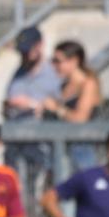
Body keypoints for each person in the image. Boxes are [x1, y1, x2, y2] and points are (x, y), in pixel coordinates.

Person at [3, 26, 61, 211]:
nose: (25, 55)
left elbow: (60, 106)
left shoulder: (52, 73)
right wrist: (10, 105)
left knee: (39, 190)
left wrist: (35, 105)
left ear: (40, 46)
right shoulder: (19, 72)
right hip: (16, 140)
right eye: (23, 51)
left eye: (29, 50)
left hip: (41, 144)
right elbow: (9, 103)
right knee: (16, 189)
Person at [42, 40, 101, 171]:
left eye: (58, 61)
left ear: (74, 60)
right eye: (53, 61)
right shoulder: (64, 86)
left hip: (83, 151)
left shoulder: (88, 83)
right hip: (64, 149)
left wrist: (57, 108)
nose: (54, 65)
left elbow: (80, 118)